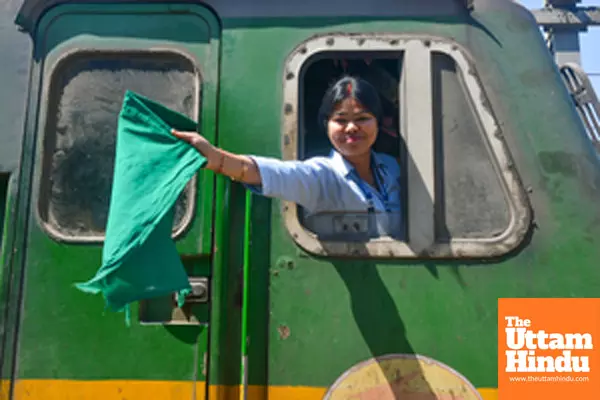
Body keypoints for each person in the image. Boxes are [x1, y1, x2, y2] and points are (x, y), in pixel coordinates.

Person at [172, 76, 403, 238]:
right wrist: (217, 159)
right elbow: (271, 172)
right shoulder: (321, 175)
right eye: (341, 120)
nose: (351, 128)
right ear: (327, 126)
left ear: (378, 122)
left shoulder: (393, 168)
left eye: (362, 118)